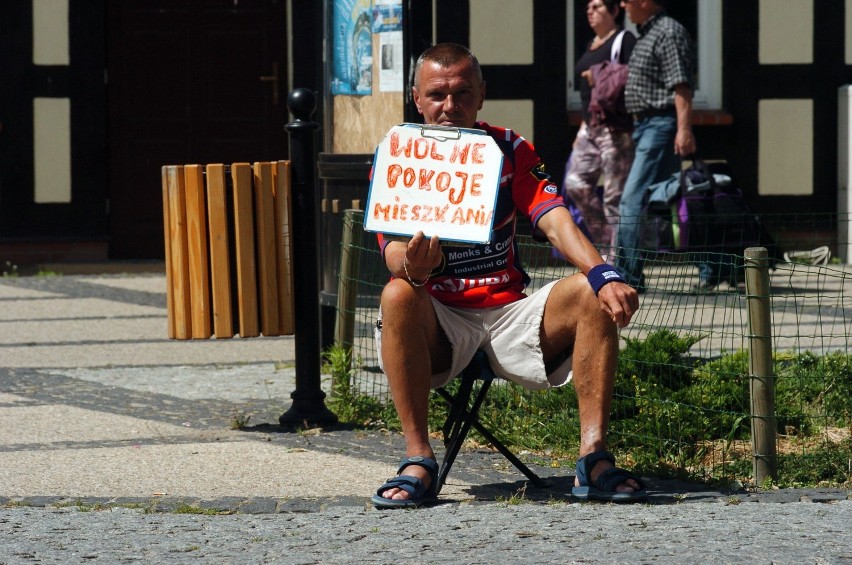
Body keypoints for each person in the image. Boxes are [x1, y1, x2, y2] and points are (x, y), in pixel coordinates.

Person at [371, 43, 644, 509]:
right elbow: (392, 248)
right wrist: (412, 268)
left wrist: (601, 271)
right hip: (440, 318)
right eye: (436, 94)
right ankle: (418, 457)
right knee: (398, 293)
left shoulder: (509, 147)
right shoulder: (399, 154)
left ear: (481, 95)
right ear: (417, 98)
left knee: (589, 290)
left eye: (461, 93)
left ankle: (593, 457)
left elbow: (552, 214)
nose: (449, 106)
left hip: (509, 311)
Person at [613, 0, 696, 292]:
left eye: (628, 0)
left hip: (660, 125)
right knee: (669, 201)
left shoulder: (668, 32)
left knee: (631, 200)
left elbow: (681, 86)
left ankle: (628, 275)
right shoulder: (647, 33)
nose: (622, 4)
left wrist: (684, 129)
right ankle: (718, 264)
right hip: (646, 126)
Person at [563, 0, 636, 263]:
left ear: (614, 11)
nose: (590, 12)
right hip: (590, 127)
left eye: (597, 7)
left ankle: (616, 259)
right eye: (588, 8)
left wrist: (600, 75)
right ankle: (606, 241)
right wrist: (582, 128)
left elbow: (633, 76)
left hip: (616, 128)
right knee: (575, 183)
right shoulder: (592, 43)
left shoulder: (623, 40)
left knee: (614, 197)